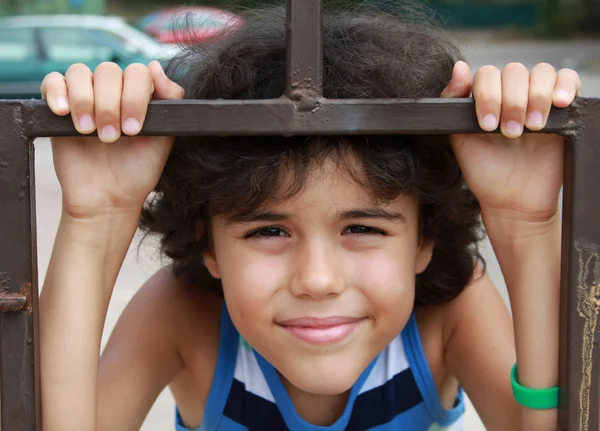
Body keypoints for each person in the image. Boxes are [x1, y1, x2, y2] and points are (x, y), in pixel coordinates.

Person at [38, 5, 580, 431]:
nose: (317, 280)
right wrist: (96, 221)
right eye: (269, 230)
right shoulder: (183, 315)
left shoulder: (449, 315)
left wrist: (525, 223)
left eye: (362, 228)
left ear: (424, 238)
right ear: (209, 244)